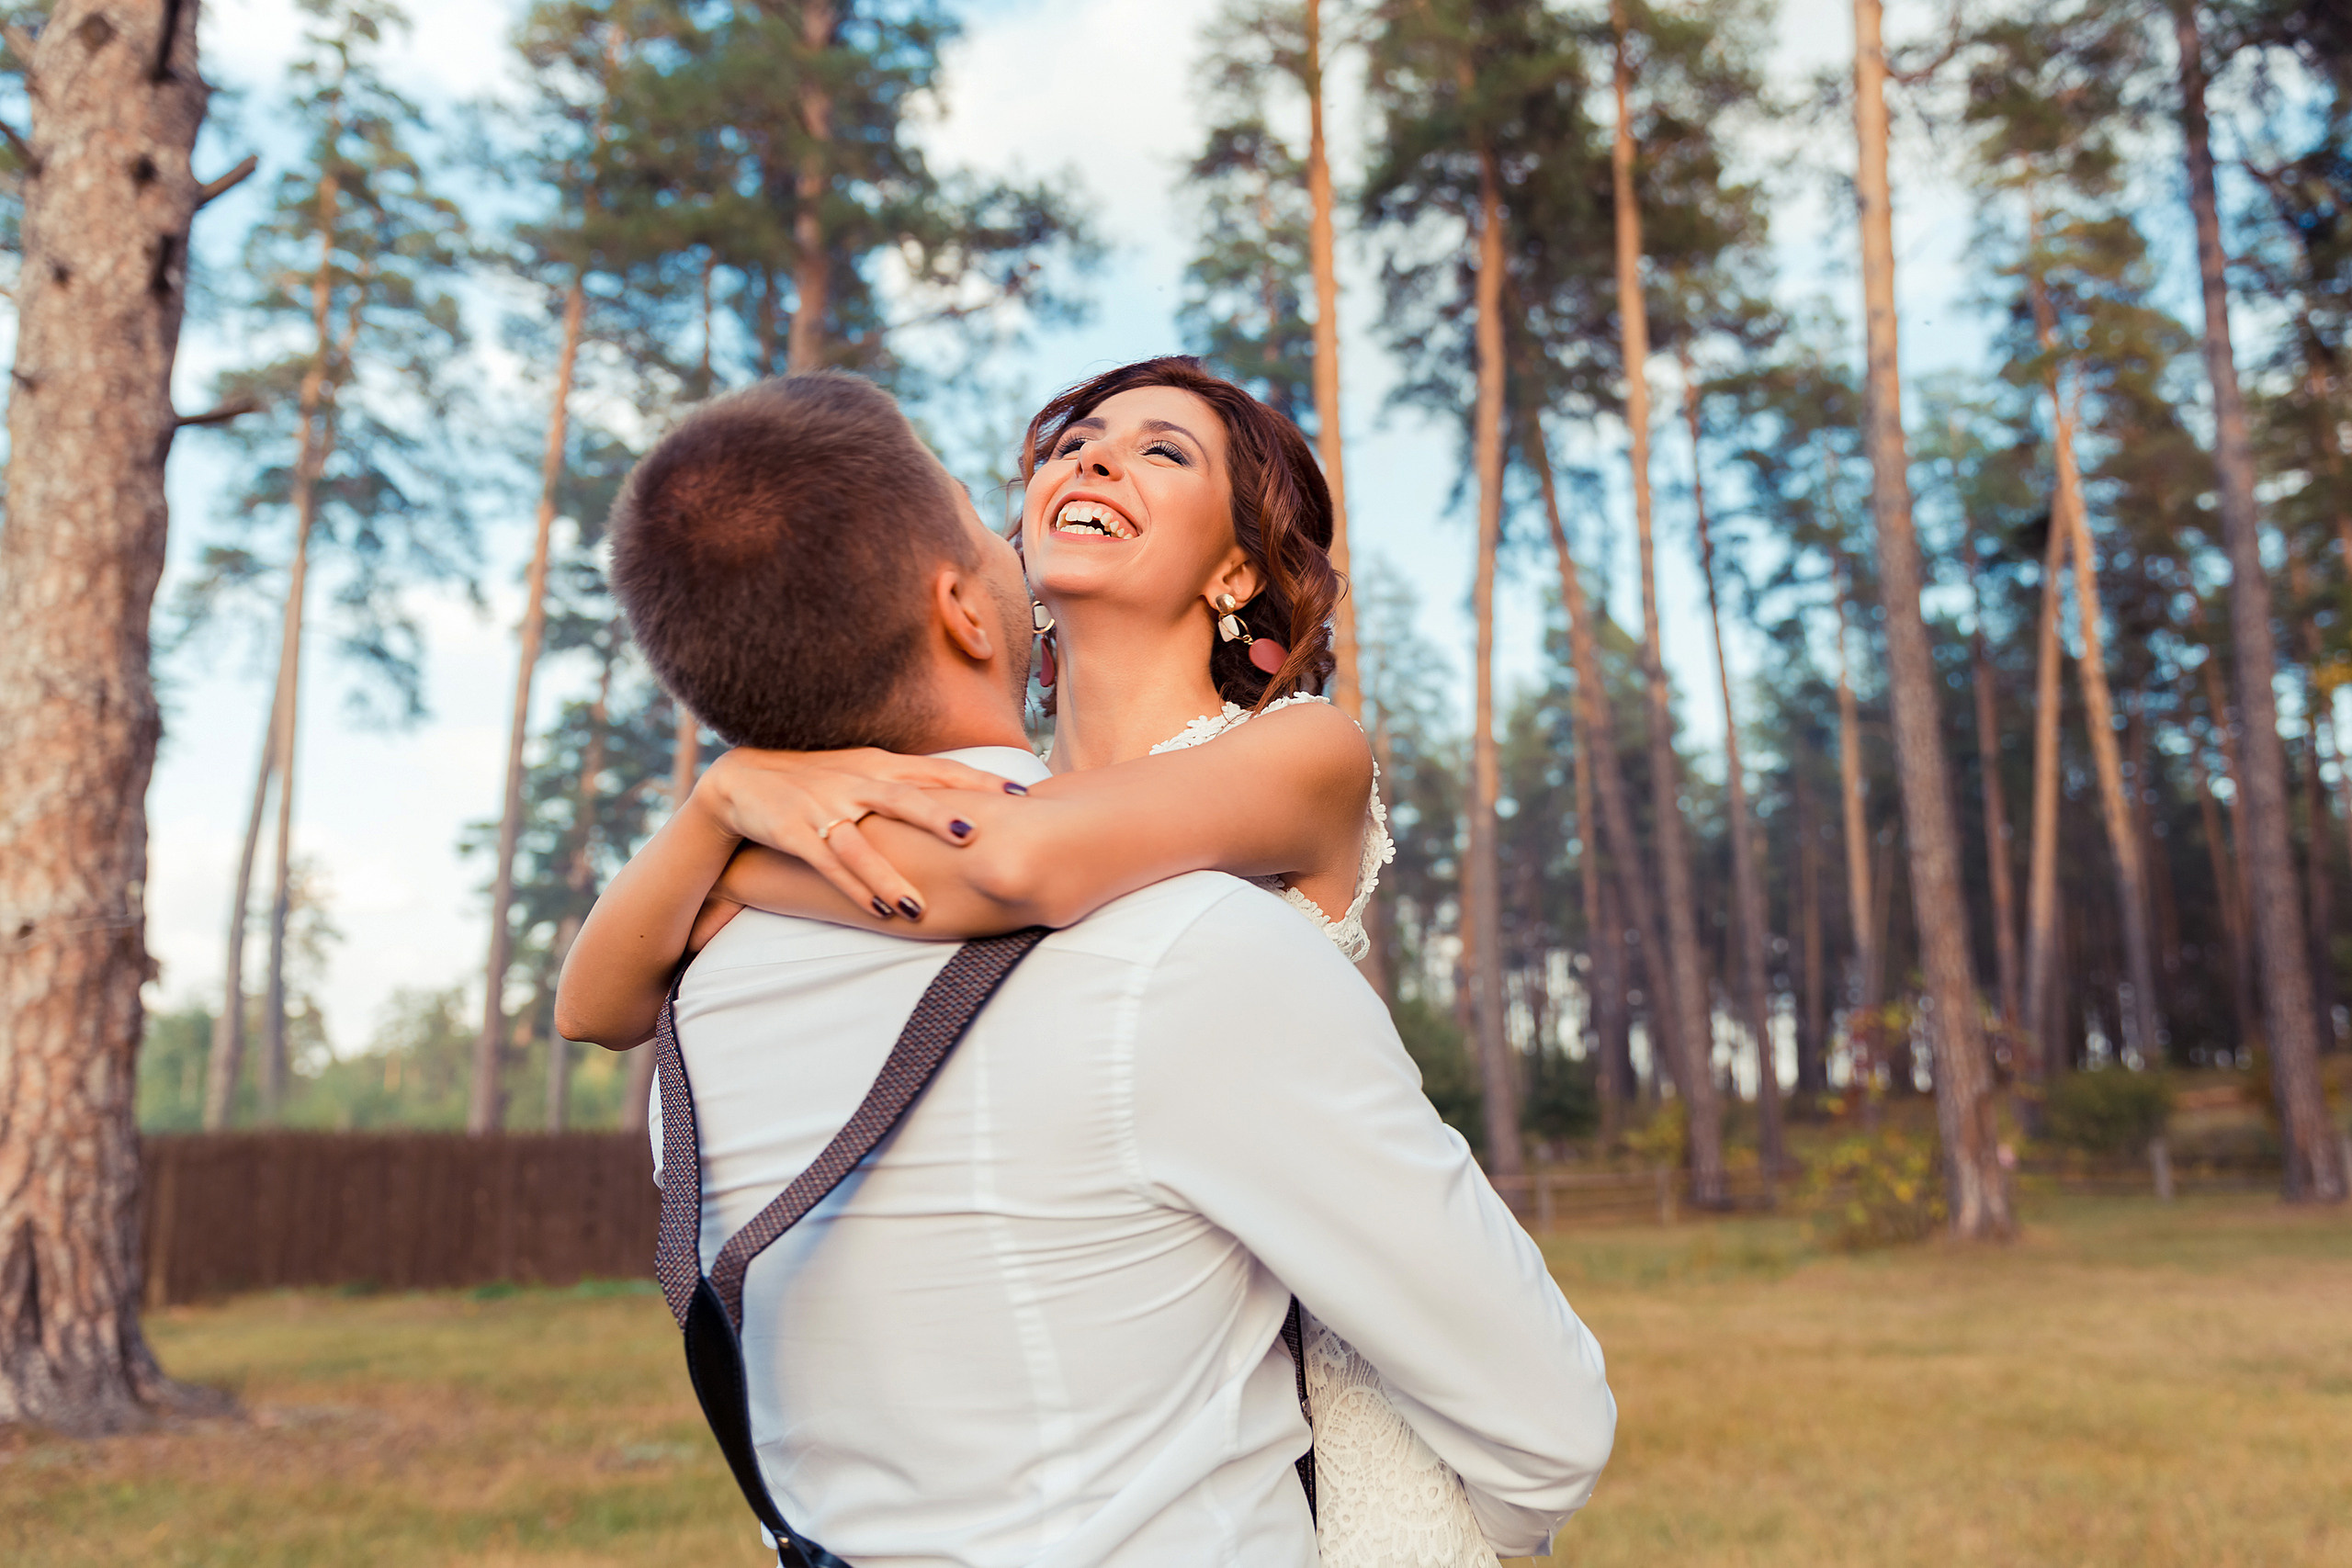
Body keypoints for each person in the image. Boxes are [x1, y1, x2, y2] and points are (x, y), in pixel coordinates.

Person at [566, 369, 1614, 1566]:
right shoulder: (972, 822)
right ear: (990, 577)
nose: (1099, 460)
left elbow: (1023, 866)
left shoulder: (1296, 753)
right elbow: (597, 1001)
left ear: (1234, 573)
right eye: (1075, 441)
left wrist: (731, 856)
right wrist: (720, 822)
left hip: (1333, 1318)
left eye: (1165, 453)